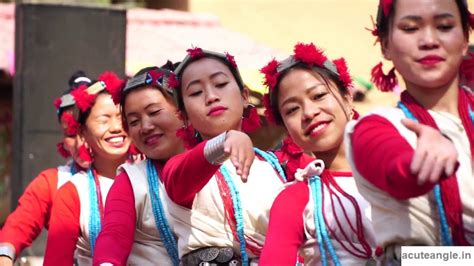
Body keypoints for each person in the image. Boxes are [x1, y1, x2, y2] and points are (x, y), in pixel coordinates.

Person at [345, 0, 474, 263]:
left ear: (465, 40)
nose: (429, 40)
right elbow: (395, 171)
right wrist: (420, 162)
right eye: (411, 28)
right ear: (385, 46)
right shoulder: (375, 126)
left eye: (445, 26)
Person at [161, 47, 287, 265]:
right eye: (196, 93)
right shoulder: (178, 166)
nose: (211, 96)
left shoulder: (276, 166)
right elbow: (178, 180)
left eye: (220, 84)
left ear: (245, 95)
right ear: (184, 117)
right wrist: (224, 141)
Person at [259, 42, 376, 265]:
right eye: (292, 110)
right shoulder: (295, 200)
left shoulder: (398, 171)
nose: (309, 113)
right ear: (287, 130)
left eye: (319, 95)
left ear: (347, 98)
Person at [93, 66, 185, 266]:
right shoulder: (132, 180)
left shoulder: (226, 163)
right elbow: (114, 234)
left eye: (154, 112)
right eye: (134, 121)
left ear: (183, 110)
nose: (145, 126)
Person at [0, 71, 92, 265]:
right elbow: (19, 225)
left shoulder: (133, 171)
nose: (80, 141)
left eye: (86, 130)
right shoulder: (52, 182)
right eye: (71, 133)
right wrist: (4, 256)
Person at [43, 72, 130, 265]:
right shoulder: (72, 191)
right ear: (82, 132)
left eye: (122, 117)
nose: (116, 127)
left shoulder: (158, 173)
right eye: (104, 120)